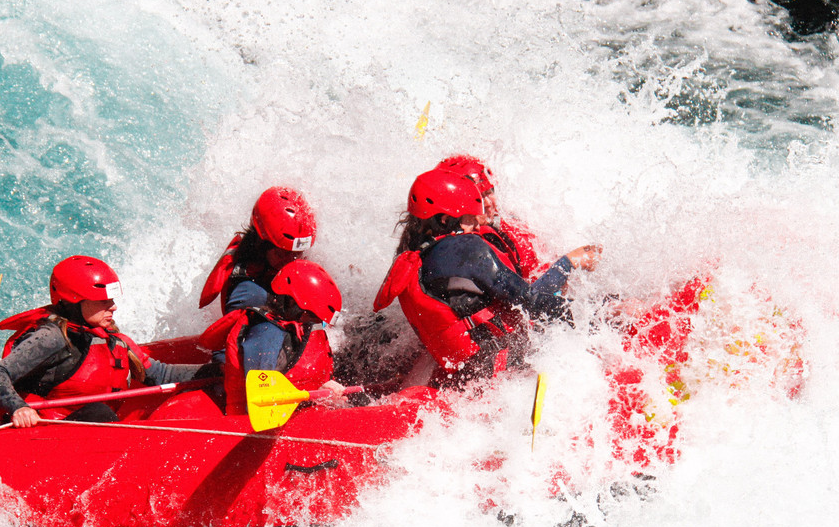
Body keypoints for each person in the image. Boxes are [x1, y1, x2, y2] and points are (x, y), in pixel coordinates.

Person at [374, 167, 601, 385]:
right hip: (502, 367)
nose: (477, 225)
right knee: (612, 309)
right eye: (471, 218)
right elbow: (531, 301)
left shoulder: (413, 257)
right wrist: (568, 267)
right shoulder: (465, 248)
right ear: (445, 220)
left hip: (469, 374)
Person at [0, 255, 202, 428]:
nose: (113, 307)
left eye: (112, 300)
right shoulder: (51, 337)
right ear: (74, 302)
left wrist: (219, 368)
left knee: (102, 414)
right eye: (103, 301)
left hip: (87, 431)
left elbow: (162, 375)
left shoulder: (113, 339)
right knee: (100, 413)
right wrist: (18, 408)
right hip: (43, 432)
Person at [199, 259, 345, 414]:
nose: (314, 322)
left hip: (297, 412)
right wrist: (316, 398)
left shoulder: (293, 325)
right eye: (312, 316)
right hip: (250, 422)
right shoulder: (265, 333)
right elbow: (263, 404)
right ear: (290, 303)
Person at [199, 186, 317, 314]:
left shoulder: (278, 262)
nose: (291, 261)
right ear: (261, 246)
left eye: (298, 253)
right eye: (282, 254)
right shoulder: (250, 297)